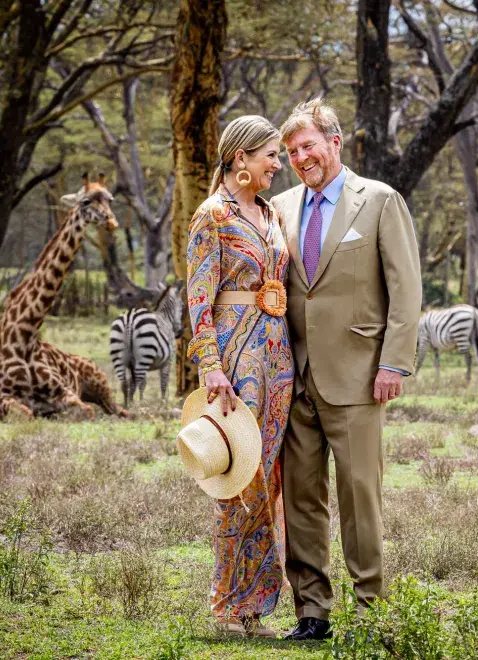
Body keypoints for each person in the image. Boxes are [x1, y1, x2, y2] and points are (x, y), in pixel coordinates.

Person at [271, 99, 422, 641]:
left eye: (308, 145)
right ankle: (311, 613)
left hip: (360, 376)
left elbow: (406, 290)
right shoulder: (281, 207)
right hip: (293, 377)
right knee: (301, 499)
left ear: (335, 142)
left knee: (360, 497)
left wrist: (394, 364)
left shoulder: (379, 200)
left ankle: (372, 612)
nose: (299, 157)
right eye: (290, 151)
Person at [185, 115, 294, 638]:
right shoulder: (211, 216)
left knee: (269, 481)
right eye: (270, 155)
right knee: (241, 482)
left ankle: (260, 601)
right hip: (235, 358)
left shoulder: (271, 213)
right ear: (240, 160)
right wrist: (211, 367)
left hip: (279, 359)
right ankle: (236, 605)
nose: (279, 164)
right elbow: (198, 300)